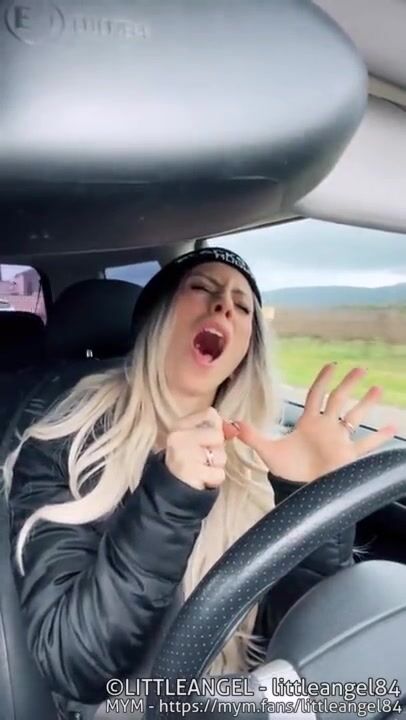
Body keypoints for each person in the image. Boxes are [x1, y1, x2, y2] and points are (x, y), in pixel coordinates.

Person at [4, 247, 395, 720]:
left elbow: (296, 645)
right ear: (158, 318)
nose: (224, 306)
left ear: (246, 349)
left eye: (243, 306)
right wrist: (169, 498)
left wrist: (311, 498)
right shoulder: (62, 441)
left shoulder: (256, 452)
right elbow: (74, 663)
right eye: (202, 289)